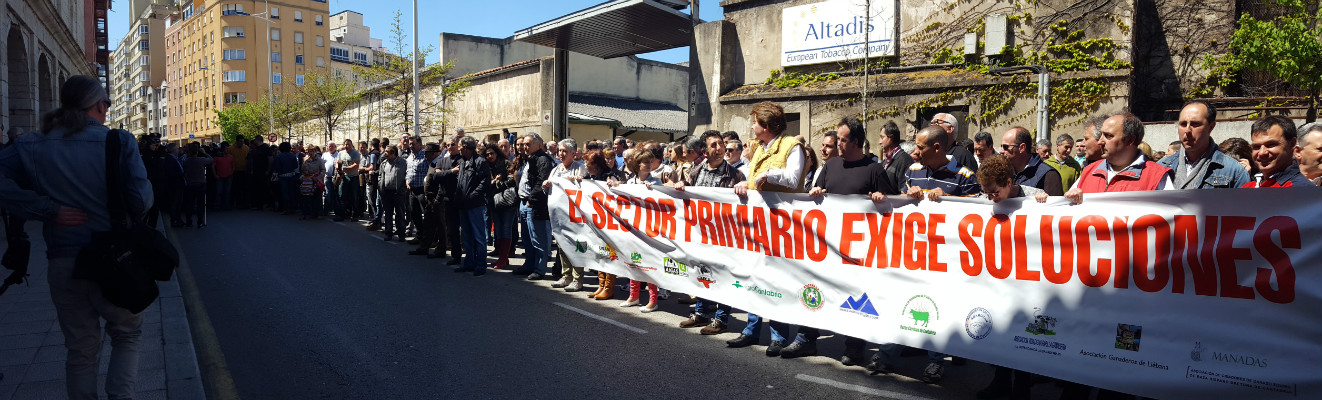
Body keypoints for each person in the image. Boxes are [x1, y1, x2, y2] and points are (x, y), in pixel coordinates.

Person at [0, 75, 153, 400]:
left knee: (81, 351)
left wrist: (44, 208)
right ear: (98, 105)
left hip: (64, 263)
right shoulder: (120, 142)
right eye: (107, 104)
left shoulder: (31, 144)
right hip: (115, 261)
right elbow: (141, 201)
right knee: (126, 336)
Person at [873, 125, 980, 383]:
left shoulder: (965, 174)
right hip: (914, 252)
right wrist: (903, 195)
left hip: (946, 256)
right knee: (900, 301)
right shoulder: (912, 171)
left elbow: (979, 208)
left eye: (920, 147)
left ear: (936, 147)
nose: (915, 153)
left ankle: (935, 363)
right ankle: (886, 356)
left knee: (939, 307)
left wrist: (950, 198)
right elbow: (901, 202)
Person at [805, 117, 901, 365]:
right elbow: (816, 195)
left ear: (857, 142)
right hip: (827, 247)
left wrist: (882, 198)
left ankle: (854, 346)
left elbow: (893, 206)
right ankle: (806, 338)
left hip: (859, 250)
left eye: (843, 139)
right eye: (837, 138)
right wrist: (815, 193)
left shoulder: (874, 169)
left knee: (856, 297)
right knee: (817, 289)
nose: (837, 143)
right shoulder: (831, 166)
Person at [728, 101, 809, 358]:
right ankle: (751, 330)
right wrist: (744, 186)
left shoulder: (791, 146)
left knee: (776, 281)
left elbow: (795, 178)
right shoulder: (758, 147)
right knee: (754, 276)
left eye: (755, 122)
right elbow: (752, 181)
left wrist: (769, 176)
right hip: (758, 224)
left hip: (782, 225)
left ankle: (778, 336)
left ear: (767, 126)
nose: (751, 126)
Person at [973, 154, 1047, 400]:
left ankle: (1022, 389)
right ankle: (1001, 382)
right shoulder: (984, 198)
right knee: (1002, 330)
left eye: (994, 192)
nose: (990, 198)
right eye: (986, 193)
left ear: (1007, 181)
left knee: (1024, 334)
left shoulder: (1033, 195)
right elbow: (959, 205)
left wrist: (1045, 203)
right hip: (998, 277)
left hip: (1027, 277)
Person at [672, 130, 745, 334]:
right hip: (700, 234)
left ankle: (720, 319)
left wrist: (744, 187)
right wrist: (681, 185)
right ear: (704, 150)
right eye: (713, 145)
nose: (719, 148)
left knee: (723, 277)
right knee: (701, 273)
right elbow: (687, 195)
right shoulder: (695, 173)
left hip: (724, 237)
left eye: (721, 144)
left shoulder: (735, 175)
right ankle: (701, 313)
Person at [1065, 114, 1174, 204]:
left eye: (1108, 136)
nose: (1100, 142)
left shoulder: (1157, 176)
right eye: (1101, 135)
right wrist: (1068, 199)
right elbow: (1066, 214)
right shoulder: (1089, 171)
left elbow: (1171, 219)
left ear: (1130, 140)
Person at [1157, 101, 1251, 189]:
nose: (1187, 130)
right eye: (1183, 124)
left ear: (1211, 127)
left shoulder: (1234, 171)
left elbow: (1244, 205)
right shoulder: (1161, 167)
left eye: (1195, 124)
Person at [547, 139, 587, 285]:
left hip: (576, 216)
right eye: (559, 151)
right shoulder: (556, 169)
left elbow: (587, 187)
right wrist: (546, 184)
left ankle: (578, 278)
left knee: (578, 246)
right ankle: (566, 275)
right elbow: (550, 185)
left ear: (573, 153)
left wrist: (578, 180)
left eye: (565, 151)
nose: (561, 154)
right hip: (560, 215)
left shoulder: (580, 168)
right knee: (562, 245)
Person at [452, 136, 491, 275]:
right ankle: (469, 262)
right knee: (467, 236)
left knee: (479, 237)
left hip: (475, 205)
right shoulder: (462, 162)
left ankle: (481, 264)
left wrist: (472, 196)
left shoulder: (480, 162)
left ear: (467, 148)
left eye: (461, 146)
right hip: (463, 205)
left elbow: (484, 183)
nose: (459, 148)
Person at [521, 133, 557, 279]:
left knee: (538, 240)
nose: (525, 147)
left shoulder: (543, 160)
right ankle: (530, 266)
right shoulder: (531, 159)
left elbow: (541, 181)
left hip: (538, 206)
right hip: (528, 203)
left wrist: (531, 199)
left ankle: (540, 269)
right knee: (528, 239)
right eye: (524, 144)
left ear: (538, 144)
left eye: (528, 144)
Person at [1242, 115, 1310, 187]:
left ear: (1292, 144)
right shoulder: (1248, 186)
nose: (1262, 153)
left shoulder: (1300, 188)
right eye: (1256, 147)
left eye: (1270, 145)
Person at [999, 127, 1064, 195]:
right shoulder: (1004, 172)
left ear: (1022, 148)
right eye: (1001, 146)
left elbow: (1055, 204)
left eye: (1005, 147)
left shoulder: (1049, 175)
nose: (1001, 151)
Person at [486, 144, 519, 270]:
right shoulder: (486, 166)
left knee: (506, 229)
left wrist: (497, 183)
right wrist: (493, 181)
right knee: (498, 230)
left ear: (497, 153)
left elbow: (512, 180)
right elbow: (486, 183)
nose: (490, 156)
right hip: (493, 202)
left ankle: (503, 258)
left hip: (507, 201)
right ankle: (502, 258)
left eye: (492, 153)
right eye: (487, 154)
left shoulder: (505, 163)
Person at [376, 145, 408, 240]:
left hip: (399, 193)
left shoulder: (402, 162)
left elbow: (406, 175)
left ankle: (401, 233)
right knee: (388, 213)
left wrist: (403, 189)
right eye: (385, 151)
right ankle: (388, 233)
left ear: (393, 153)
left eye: (387, 151)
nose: (385, 153)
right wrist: (380, 187)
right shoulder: (384, 163)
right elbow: (380, 176)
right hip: (386, 193)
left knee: (400, 213)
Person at [181, 143, 213, 227]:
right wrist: (205, 152)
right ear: (197, 152)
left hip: (190, 184)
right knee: (201, 204)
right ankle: (200, 221)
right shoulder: (201, 160)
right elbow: (211, 159)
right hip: (201, 184)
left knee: (189, 204)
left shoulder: (186, 161)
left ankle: (189, 221)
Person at [334, 139, 362, 221]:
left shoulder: (355, 153)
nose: (347, 146)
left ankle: (355, 215)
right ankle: (342, 215)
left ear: (351, 145)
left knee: (354, 196)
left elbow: (356, 165)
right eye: (345, 144)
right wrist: (338, 167)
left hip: (353, 177)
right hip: (344, 177)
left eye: (348, 144)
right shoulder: (341, 153)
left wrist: (344, 169)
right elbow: (337, 163)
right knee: (342, 196)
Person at [298, 145, 326, 220]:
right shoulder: (306, 160)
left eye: (312, 151)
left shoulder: (319, 160)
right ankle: (309, 213)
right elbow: (302, 169)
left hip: (316, 180)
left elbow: (323, 170)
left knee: (318, 197)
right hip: (307, 181)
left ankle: (320, 213)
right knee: (308, 198)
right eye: (309, 152)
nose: (311, 153)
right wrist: (305, 172)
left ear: (315, 152)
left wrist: (318, 178)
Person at [273, 142, 299, 215]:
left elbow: (277, 167)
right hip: (292, 175)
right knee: (292, 192)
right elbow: (296, 166)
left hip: (283, 176)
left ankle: (286, 208)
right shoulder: (293, 156)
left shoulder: (279, 156)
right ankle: (293, 208)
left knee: (285, 193)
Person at [228, 136, 251, 208]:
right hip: (236, 171)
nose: (242, 143)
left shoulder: (246, 148)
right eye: (240, 141)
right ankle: (238, 203)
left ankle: (244, 203)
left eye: (243, 141)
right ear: (237, 141)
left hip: (245, 170)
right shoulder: (230, 149)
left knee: (245, 188)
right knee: (236, 188)